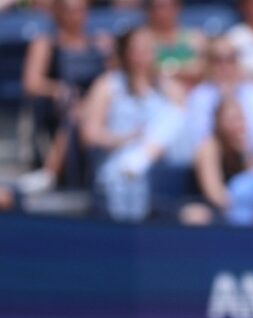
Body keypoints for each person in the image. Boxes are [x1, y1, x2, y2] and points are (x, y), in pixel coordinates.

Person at [80, 27, 186, 222]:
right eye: (138, 49)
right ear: (126, 53)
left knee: (176, 116)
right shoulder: (107, 85)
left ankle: (141, 158)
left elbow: (180, 127)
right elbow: (90, 134)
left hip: (158, 169)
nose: (144, 54)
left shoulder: (168, 88)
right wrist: (124, 139)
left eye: (148, 48)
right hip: (118, 167)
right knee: (126, 174)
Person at [20, 0, 110, 192]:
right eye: (69, 11)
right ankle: (50, 173)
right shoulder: (46, 43)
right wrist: (59, 89)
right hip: (61, 109)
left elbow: (114, 79)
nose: (75, 16)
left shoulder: (100, 42)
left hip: (100, 108)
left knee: (85, 111)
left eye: (80, 10)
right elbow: (32, 83)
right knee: (75, 113)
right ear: (58, 13)